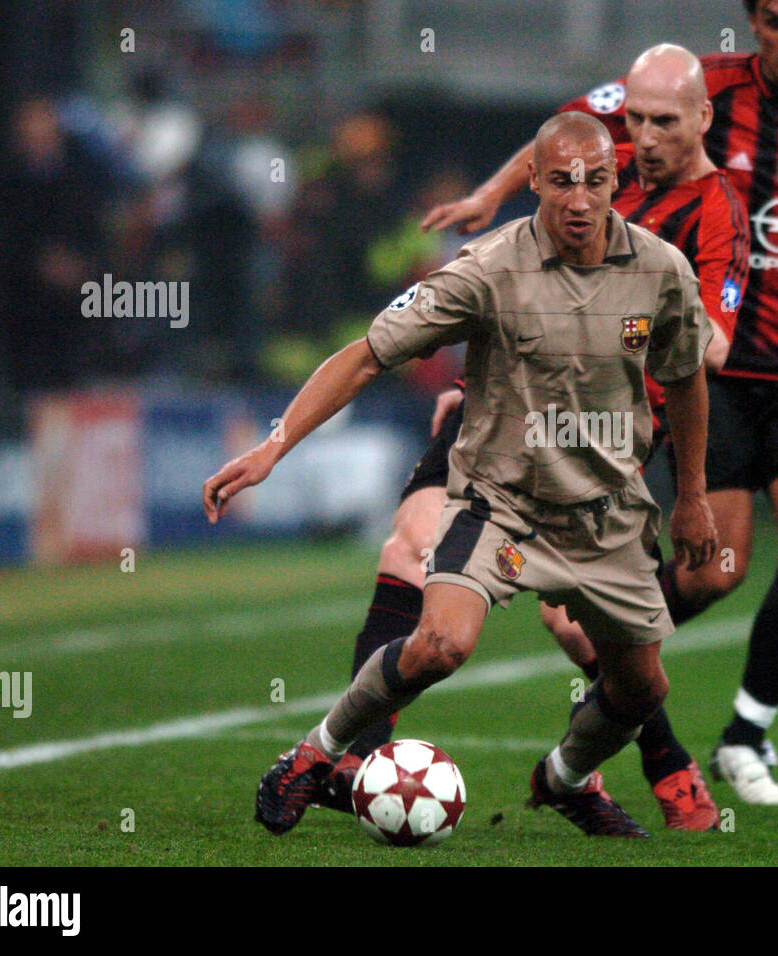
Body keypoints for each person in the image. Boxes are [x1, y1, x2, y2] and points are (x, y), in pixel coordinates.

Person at [423, 0, 778, 805]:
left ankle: (744, 734)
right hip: (713, 374)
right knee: (713, 573)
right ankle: (614, 668)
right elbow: (568, 130)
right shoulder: (695, 88)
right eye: (775, 20)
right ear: (754, 21)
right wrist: (494, 196)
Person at [203, 111, 719, 837]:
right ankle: (315, 755)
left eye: (596, 182)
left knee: (639, 688)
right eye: (562, 181)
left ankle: (565, 777)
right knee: (441, 644)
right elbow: (365, 355)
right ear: (533, 179)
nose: (579, 199)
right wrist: (271, 447)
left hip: (606, 510)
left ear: (615, 183)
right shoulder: (485, 268)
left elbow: (688, 378)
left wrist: (693, 496)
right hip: (500, 500)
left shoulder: (660, 270)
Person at [316, 44, 749, 832]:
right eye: (634, 122)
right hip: (500, 424)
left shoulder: (710, 223)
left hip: (603, 446)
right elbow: (555, 144)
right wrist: (489, 197)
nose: (641, 137)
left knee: (588, 635)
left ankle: (628, 764)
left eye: (661, 124)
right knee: (407, 551)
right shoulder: (583, 167)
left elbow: (708, 350)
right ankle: (349, 760)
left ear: (702, 120)